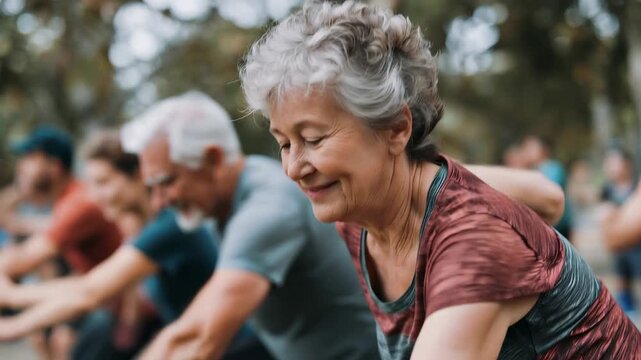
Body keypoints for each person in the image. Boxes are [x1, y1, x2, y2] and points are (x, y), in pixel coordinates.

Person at [240, 1, 641, 359]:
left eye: (312, 139)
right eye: (284, 143)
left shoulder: (473, 242)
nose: (293, 167)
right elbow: (548, 197)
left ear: (397, 129)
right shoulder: (360, 210)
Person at [120, 91, 381, 360]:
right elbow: (191, 327)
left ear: (214, 159)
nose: (157, 203)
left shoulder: (267, 209)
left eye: (166, 183)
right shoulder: (222, 203)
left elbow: (198, 339)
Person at [0, 131, 266, 359]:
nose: (93, 196)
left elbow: (89, 291)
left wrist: (13, 312)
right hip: (207, 345)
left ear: (138, 176)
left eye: (104, 182)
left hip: (234, 349)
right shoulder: (145, 227)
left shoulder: (168, 227)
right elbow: (92, 285)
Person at [0, 126, 123, 360]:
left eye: (29, 159)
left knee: (60, 338)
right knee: (43, 332)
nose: (20, 166)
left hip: (113, 305)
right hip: (94, 291)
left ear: (54, 167)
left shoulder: (78, 204)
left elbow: (23, 260)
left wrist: (10, 293)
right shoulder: (64, 201)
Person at [599, 146, 641, 315]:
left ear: (627, 164)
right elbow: (604, 217)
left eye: (615, 162)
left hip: (636, 244)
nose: (611, 167)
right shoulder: (607, 190)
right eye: (608, 163)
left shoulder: (634, 186)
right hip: (620, 246)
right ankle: (626, 303)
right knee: (621, 268)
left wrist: (619, 216)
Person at [521, 135, 573, 239]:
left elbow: (547, 192)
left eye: (531, 148)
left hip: (559, 226)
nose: (527, 152)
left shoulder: (553, 168)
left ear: (542, 150)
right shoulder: (534, 170)